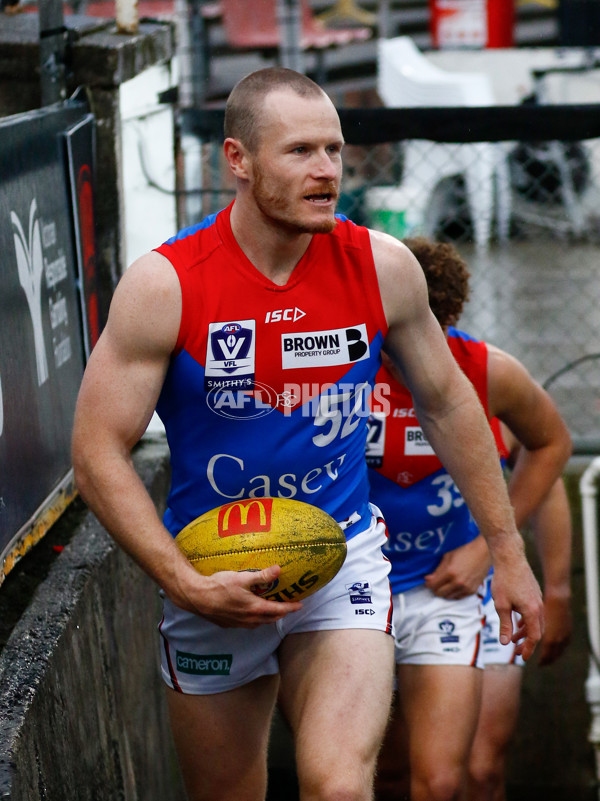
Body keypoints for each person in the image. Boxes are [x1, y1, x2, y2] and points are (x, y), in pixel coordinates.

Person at [71, 68, 543, 801]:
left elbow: (451, 404)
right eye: (299, 152)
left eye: (334, 149)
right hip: (212, 567)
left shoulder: (383, 269)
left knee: (338, 785)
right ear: (238, 159)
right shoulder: (167, 285)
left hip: (343, 556)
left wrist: (508, 551)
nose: (327, 170)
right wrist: (184, 580)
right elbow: (96, 448)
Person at [369, 237, 572, 801]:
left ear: (449, 320)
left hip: (455, 590)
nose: (403, 351)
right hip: (364, 591)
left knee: (461, 774)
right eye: (391, 336)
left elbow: (551, 448)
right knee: (382, 774)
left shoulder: (485, 373)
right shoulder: (345, 368)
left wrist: (503, 555)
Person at [467, 423, 573, 801]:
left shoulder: (490, 375)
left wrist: (558, 591)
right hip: (387, 587)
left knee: (482, 769)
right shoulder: (356, 378)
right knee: (397, 773)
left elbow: (546, 478)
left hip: (486, 594)